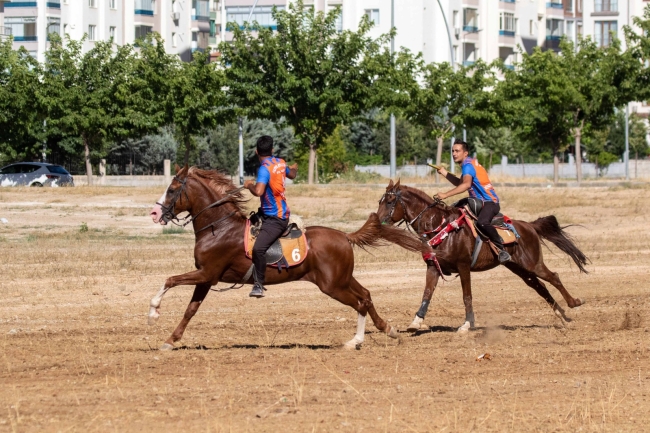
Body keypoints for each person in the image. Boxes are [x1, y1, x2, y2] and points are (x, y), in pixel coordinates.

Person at [434, 139, 511, 263]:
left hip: (490, 203)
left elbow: (466, 185)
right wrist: (444, 173)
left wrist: (445, 194)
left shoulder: (468, 166)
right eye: (453, 151)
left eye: (457, 151)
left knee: (482, 223)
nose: (454, 153)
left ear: (465, 153)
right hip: (477, 202)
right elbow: (461, 183)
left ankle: (501, 249)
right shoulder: (468, 164)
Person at [244, 136, 298, 297]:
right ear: (272, 150)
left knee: (259, 249)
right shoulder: (280, 162)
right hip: (268, 213)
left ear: (256, 151)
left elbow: (259, 191)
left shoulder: (264, 168)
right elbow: (292, 174)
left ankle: (259, 284)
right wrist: (294, 167)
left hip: (276, 219)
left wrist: (249, 186)